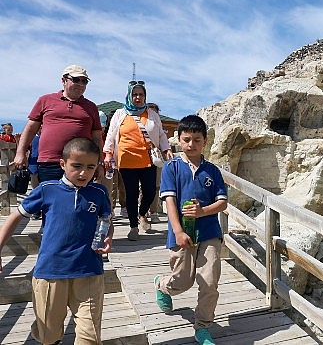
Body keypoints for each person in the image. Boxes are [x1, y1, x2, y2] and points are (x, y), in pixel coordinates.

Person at [0, 137, 113, 344]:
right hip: (50, 273)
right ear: (63, 164)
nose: (83, 173)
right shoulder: (47, 189)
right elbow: (15, 216)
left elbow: (106, 221)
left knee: (90, 337)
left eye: (90, 167)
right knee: (49, 335)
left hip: (89, 272)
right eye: (76, 166)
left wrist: (108, 238)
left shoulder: (99, 192)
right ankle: (43, 327)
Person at [155, 115, 227, 345]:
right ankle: (162, 285)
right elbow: (169, 202)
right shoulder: (172, 168)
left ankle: (203, 326)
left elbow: (222, 202)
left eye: (197, 140)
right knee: (183, 281)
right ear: (178, 140)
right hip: (181, 234)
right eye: (186, 139)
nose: (191, 144)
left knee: (209, 280)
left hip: (209, 233)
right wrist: (177, 231)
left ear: (205, 141)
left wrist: (202, 211)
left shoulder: (212, 171)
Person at [103, 81, 172, 240]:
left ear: (145, 96)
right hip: (127, 160)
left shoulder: (152, 114)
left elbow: (161, 134)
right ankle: (134, 226)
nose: (138, 97)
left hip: (148, 159)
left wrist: (166, 149)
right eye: (135, 94)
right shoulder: (120, 113)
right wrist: (108, 153)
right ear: (129, 96)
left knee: (149, 191)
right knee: (131, 194)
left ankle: (142, 214)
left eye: (141, 94)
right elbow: (110, 135)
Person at [14, 64, 103, 183]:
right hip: (49, 162)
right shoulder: (45, 100)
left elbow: (97, 138)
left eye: (84, 81)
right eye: (76, 80)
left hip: (82, 164)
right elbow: (30, 128)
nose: (81, 84)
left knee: (80, 200)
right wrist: (20, 153)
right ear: (63, 80)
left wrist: (99, 163)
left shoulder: (91, 107)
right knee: (50, 199)